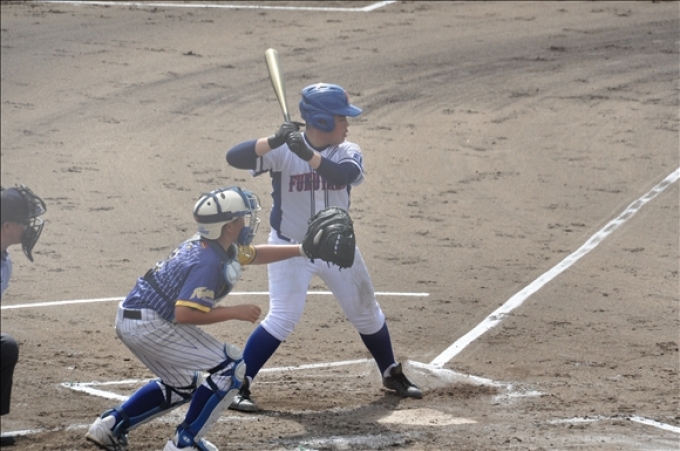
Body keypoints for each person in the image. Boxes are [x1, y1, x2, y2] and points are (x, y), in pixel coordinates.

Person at [225, 82, 422, 413]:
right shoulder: (282, 150)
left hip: (337, 249)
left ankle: (390, 372)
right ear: (322, 121)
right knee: (283, 317)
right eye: (341, 118)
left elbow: (343, 176)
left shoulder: (347, 150)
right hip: (289, 249)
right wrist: (273, 140)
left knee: (365, 310)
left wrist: (307, 155)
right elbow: (234, 157)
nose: (347, 124)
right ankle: (236, 384)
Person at [85, 186, 314, 451]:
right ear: (229, 227)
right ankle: (185, 443)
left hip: (135, 317)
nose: (247, 222)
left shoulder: (213, 245)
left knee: (183, 384)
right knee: (232, 367)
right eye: (241, 217)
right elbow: (185, 314)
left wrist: (302, 249)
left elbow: (255, 254)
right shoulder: (207, 261)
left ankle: (110, 426)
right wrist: (235, 312)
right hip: (149, 324)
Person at [0, 185, 47, 448]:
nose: (28, 227)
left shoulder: (4, 262)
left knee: (5, 347)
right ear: (7, 226)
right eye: (24, 221)